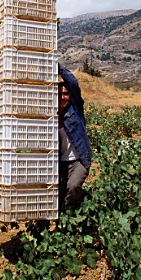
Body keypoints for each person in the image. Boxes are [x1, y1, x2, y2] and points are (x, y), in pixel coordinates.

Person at [58, 64, 92, 212]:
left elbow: (72, 82)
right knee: (59, 193)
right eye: (59, 94)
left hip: (79, 160)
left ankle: (68, 216)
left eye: (66, 94)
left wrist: (55, 65)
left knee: (73, 186)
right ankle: (63, 219)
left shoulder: (75, 109)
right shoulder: (49, 116)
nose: (63, 97)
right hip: (60, 163)